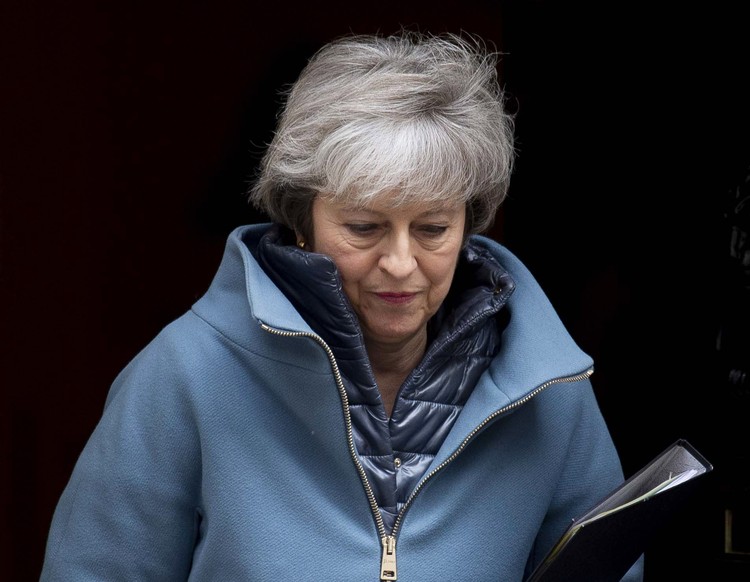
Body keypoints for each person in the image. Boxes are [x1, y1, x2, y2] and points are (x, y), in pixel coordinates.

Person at [39, 31, 642, 581]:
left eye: (433, 228)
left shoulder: (549, 388)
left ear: (471, 224)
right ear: (302, 219)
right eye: (363, 227)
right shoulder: (185, 375)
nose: (401, 263)